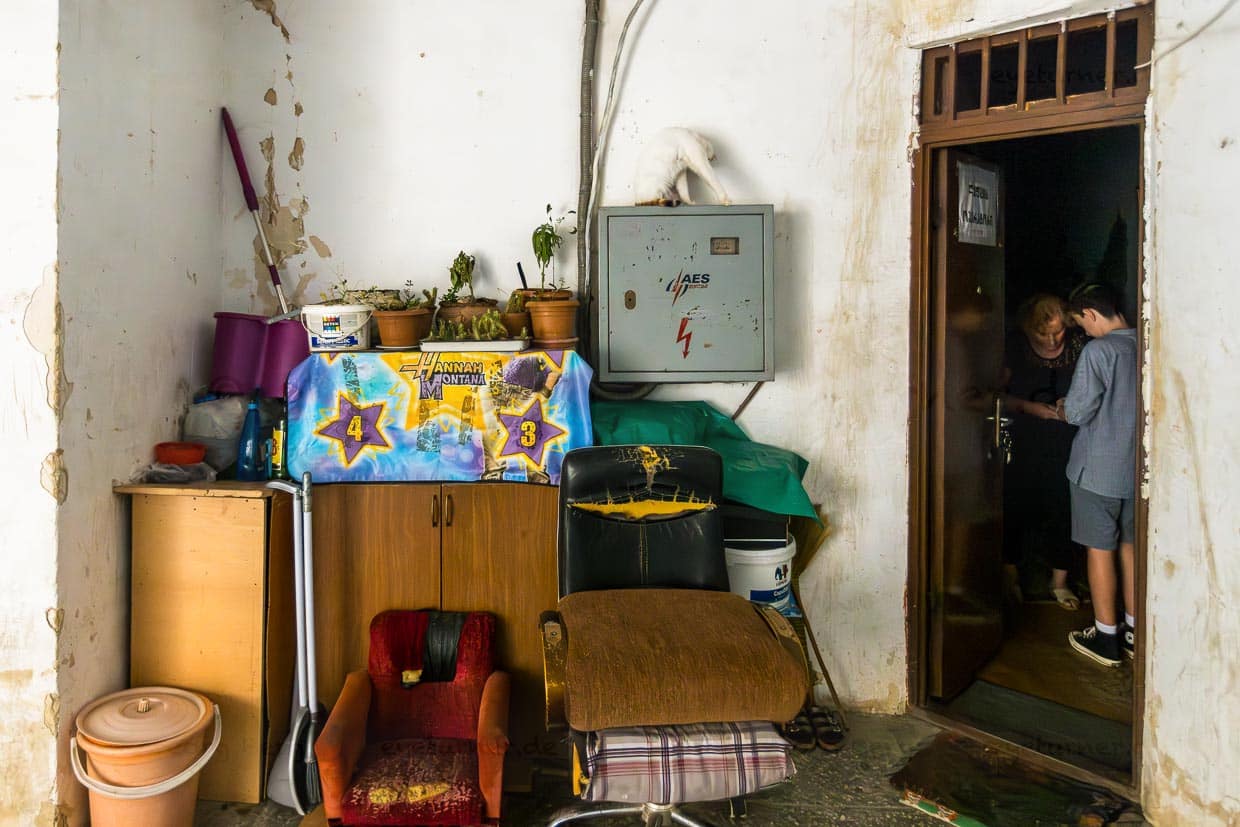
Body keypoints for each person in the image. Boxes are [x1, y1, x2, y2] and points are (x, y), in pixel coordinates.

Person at [1057, 283, 1137, 666]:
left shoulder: (1099, 350)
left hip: (1097, 471)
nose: (1083, 333)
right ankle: (1135, 631)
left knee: (1100, 550)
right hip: (1136, 472)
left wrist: (1062, 407)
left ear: (1090, 314)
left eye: (1080, 325)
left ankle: (1106, 636)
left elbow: (1077, 412)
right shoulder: (1145, 340)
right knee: (1130, 547)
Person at [1001, 294, 1086, 610]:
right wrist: (1028, 407)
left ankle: (1059, 581)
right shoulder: (1015, 346)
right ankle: (1010, 575)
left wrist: (1071, 404)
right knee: (1017, 503)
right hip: (1024, 436)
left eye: (1058, 332)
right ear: (1027, 328)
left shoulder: (1078, 345)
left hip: (1067, 438)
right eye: (1042, 334)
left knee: (1063, 505)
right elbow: (995, 394)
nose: (1051, 341)